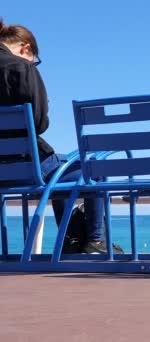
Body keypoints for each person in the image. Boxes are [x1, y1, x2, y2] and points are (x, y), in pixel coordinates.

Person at [0, 18, 114, 254]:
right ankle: (96, 241)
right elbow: (39, 124)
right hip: (28, 166)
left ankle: (71, 240)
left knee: (61, 165)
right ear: (26, 49)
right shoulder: (22, 67)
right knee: (94, 166)